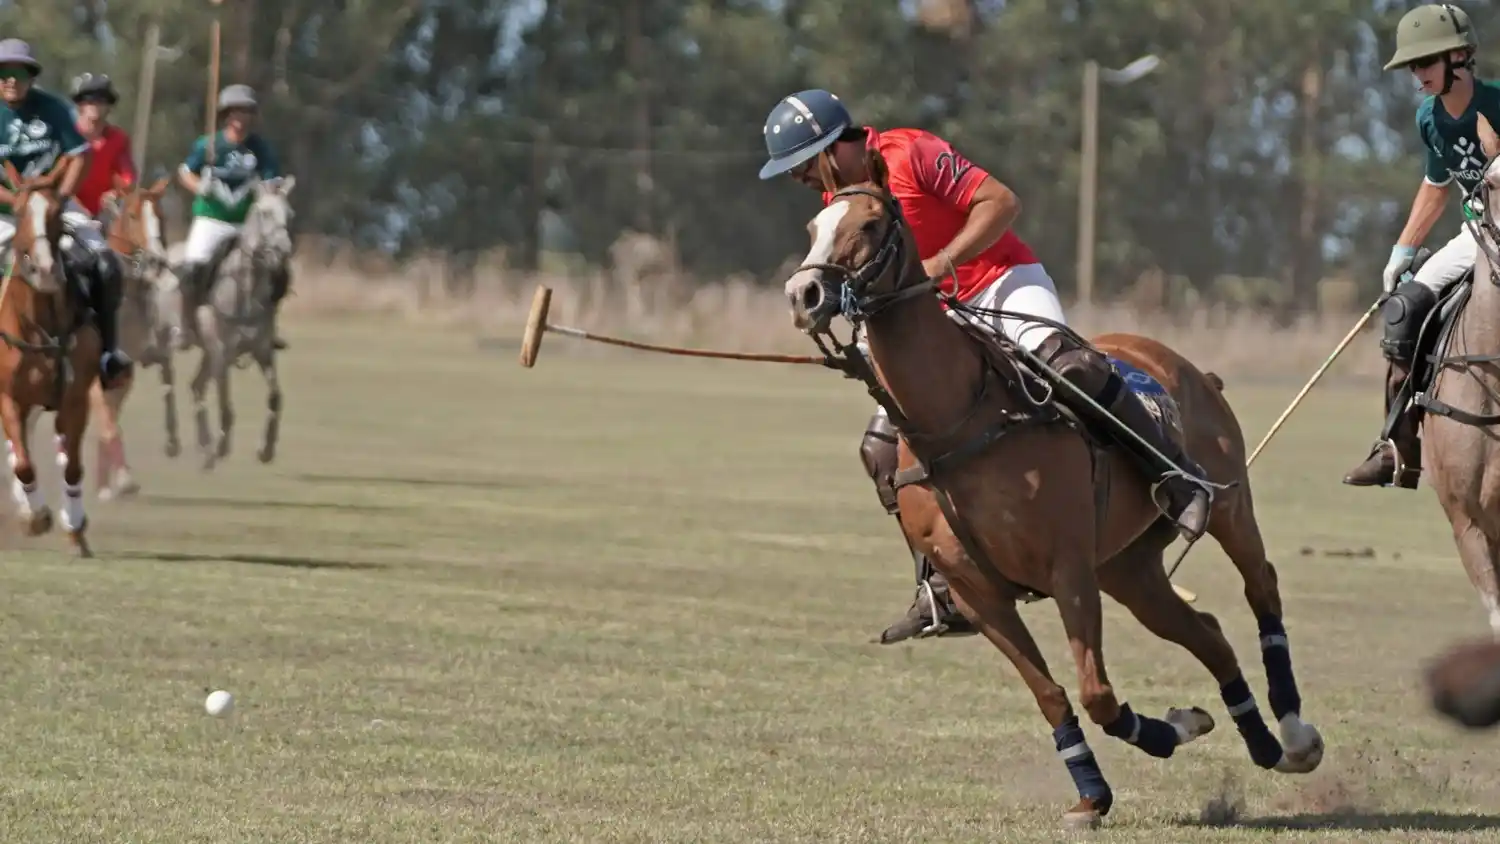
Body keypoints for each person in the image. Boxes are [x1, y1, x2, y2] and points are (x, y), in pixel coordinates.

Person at [759, 89, 1214, 644]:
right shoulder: (839, 199)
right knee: (882, 449)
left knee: (1072, 370)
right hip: (938, 316)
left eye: (799, 163)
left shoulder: (913, 152)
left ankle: (1177, 476)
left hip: (1002, 284)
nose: (796, 178)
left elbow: (1001, 202)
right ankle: (942, 590)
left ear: (831, 146)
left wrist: (941, 263)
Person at [1343, 3, 1500, 489]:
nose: (1418, 74)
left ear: (1459, 56)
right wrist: (1403, 251)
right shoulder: (1429, 118)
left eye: (1426, 62)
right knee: (1403, 311)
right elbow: (1436, 185)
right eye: (1412, 65)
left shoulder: (1496, 104)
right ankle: (1397, 447)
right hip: (1475, 234)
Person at [0, 39, 132, 388]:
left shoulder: (52, 108)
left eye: (19, 73)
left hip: (53, 204)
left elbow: (81, 155)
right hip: (5, 210)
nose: (11, 80)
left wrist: (61, 196)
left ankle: (108, 354)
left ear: (30, 76)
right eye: (4, 74)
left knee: (104, 261)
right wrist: (15, 202)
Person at [173, 83, 288, 350]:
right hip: (210, 220)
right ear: (226, 115)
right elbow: (184, 172)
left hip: (244, 222)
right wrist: (198, 185)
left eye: (246, 111)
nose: (241, 117)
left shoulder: (259, 147)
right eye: (236, 112)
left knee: (276, 269)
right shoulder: (208, 145)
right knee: (192, 268)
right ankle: (184, 325)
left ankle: (268, 327)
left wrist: (270, 189)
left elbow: (273, 178)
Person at [70, 73, 136, 218]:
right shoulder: (67, 136)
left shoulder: (119, 139)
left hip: (105, 213)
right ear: (80, 104)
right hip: (68, 208)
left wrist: (116, 193)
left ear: (109, 106)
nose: (95, 104)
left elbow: (127, 178)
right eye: (89, 99)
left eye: (102, 100)